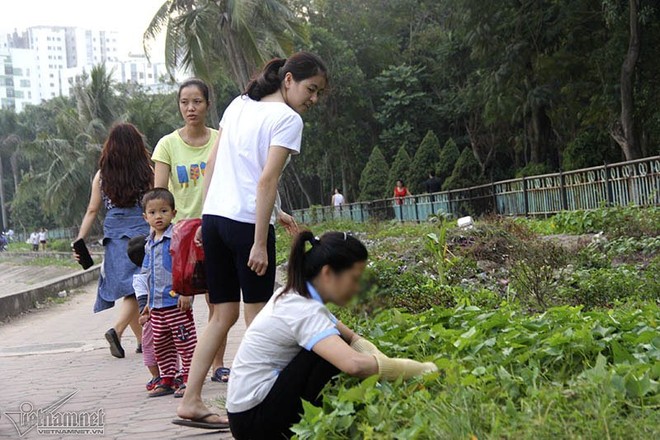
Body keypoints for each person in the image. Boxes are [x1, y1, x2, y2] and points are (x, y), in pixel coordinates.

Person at [174, 51, 327, 430]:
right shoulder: (287, 119)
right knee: (257, 317)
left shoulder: (238, 105)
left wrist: (206, 219)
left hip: (214, 220)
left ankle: (191, 401)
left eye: (319, 93)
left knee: (221, 315)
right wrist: (261, 241)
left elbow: (217, 166)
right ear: (288, 80)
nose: (314, 99)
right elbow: (265, 180)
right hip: (246, 228)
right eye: (311, 89)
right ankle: (255, 403)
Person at [226, 231, 438, 439]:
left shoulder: (297, 296)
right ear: (328, 273)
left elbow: (353, 338)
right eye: (354, 278)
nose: (357, 288)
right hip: (254, 423)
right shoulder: (303, 310)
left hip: (248, 412)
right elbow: (353, 364)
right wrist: (420, 369)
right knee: (327, 356)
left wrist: (387, 364)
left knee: (334, 343)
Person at [152, 78, 226, 382]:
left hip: (214, 227)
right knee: (178, 303)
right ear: (179, 106)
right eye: (185, 102)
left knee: (218, 302)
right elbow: (158, 194)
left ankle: (217, 365)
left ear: (207, 104)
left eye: (197, 101)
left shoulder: (221, 139)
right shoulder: (167, 144)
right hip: (179, 236)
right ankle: (180, 370)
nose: (191, 108)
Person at [74, 123, 153, 359]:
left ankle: (141, 341)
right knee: (137, 287)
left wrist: (80, 239)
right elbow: (153, 204)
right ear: (138, 147)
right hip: (141, 234)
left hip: (114, 236)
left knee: (129, 287)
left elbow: (91, 210)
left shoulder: (102, 176)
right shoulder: (147, 172)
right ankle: (117, 331)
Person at [133, 188, 197, 398]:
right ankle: (167, 377)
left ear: (173, 212)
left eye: (163, 211)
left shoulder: (177, 238)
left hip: (177, 303)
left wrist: (186, 293)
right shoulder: (148, 243)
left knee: (185, 341)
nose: (158, 216)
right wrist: (147, 304)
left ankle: (189, 377)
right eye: (152, 213)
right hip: (157, 306)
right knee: (161, 343)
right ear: (145, 217)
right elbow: (147, 275)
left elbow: (188, 266)